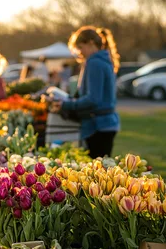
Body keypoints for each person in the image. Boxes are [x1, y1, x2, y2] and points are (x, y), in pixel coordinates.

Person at [50, 25, 120, 158]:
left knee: (98, 171)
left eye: (81, 47)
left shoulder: (94, 63)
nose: (80, 52)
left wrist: (66, 105)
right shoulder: (103, 61)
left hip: (97, 125)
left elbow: (93, 99)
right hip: (106, 124)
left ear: (91, 43)